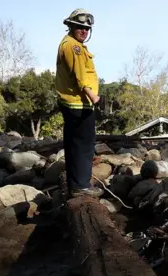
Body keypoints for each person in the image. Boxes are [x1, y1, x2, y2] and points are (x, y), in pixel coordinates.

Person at [55, 8, 103, 197]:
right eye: (80, 27)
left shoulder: (70, 44)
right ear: (71, 26)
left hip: (75, 102)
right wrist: (94, 97)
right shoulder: (73, 46)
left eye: (87, 29)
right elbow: (80, 76)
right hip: (78, 103)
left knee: (74, 144)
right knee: (83, 145)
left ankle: (75, 184)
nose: (84, 31)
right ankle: (81, 187)